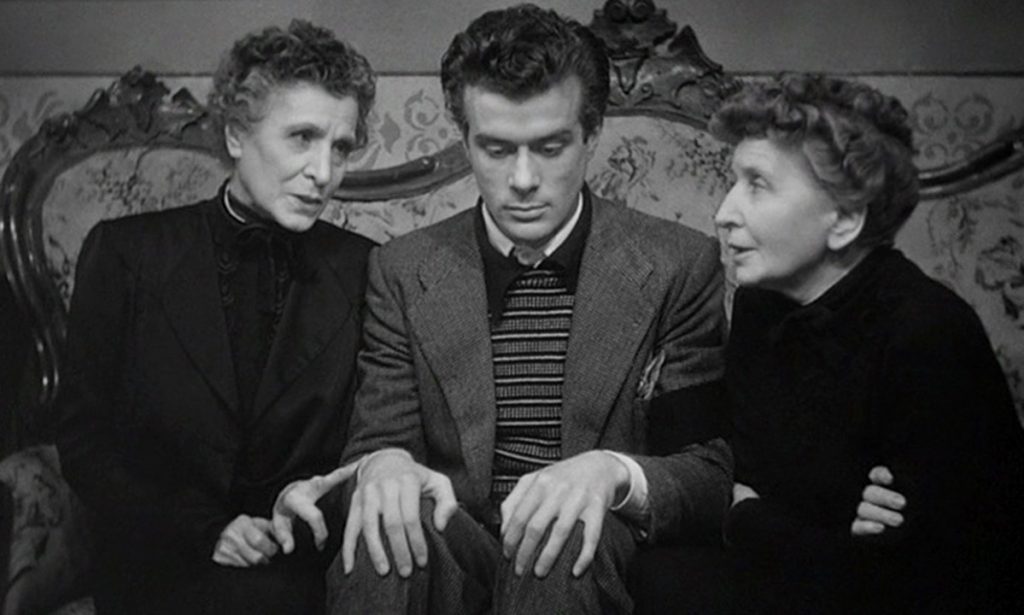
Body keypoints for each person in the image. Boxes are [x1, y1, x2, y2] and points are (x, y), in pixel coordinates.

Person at [273, 5, 732, 613]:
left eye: (550, 147)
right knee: (384, 526)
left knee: (559, 538)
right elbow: (381, 441)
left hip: (588, 557)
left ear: (592, 134)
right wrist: (381, 466)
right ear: (465, 139)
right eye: (495, 149)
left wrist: (613, 473)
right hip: (455, 543)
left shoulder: (679, 264)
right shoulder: (402, 270)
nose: (522, 180)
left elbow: (706, 476)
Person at [54, 20, 376, 615]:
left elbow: (376, 440)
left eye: (341, 147)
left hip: (304, 568)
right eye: (302, 138)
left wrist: (310, 513)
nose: (323, 172)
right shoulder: (127, 254)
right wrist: (203, 529)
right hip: (162, 560)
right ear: (235, 135)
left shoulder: (366, 268)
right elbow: (83, 440)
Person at [711, 73, 1024, 614]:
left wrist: (749, 519)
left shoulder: (928, 334)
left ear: (845, 220)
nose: (724, 212)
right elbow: (743, 472)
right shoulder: (761, 302)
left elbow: (934, 576)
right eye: (732, 180)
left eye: (757, 184)